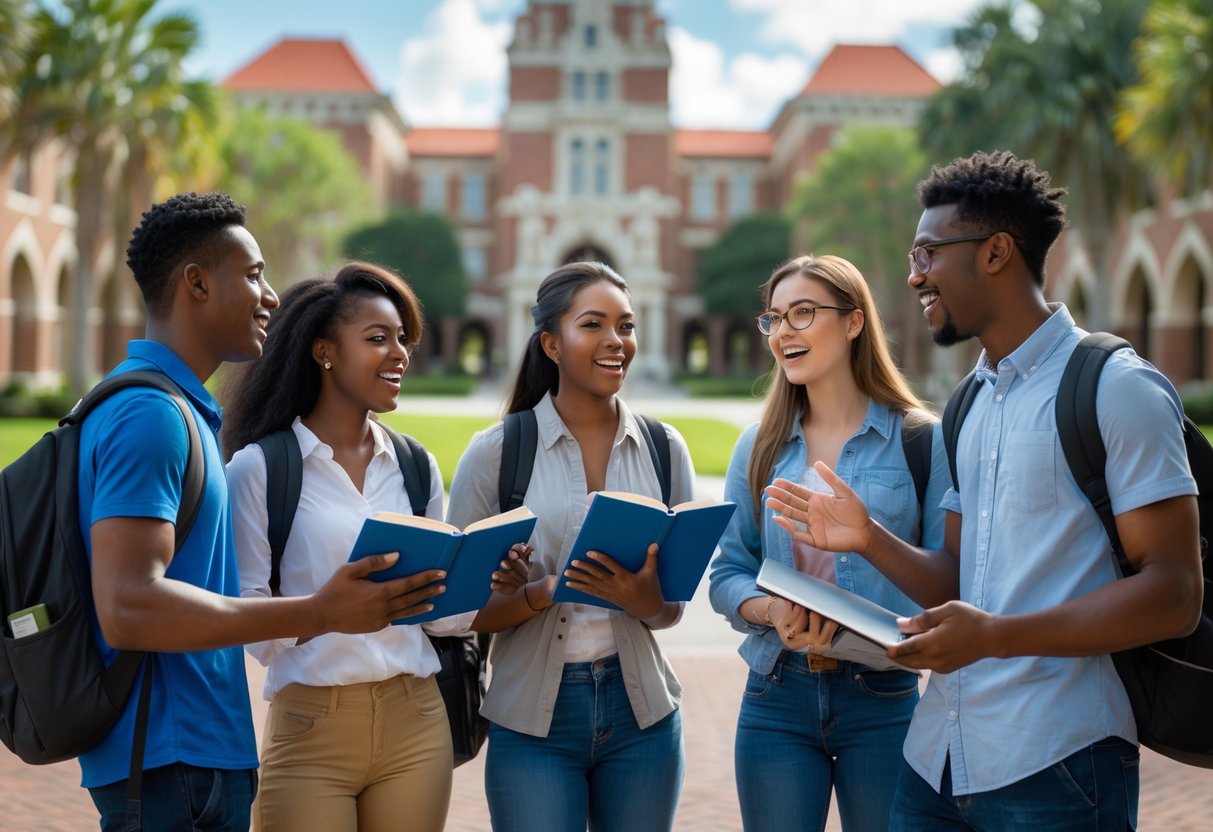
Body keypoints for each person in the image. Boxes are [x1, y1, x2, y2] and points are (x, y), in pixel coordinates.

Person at [764, 150, 1204, 831]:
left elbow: (1173, 594)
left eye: (927, 253)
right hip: (936, 756)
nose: (912, 275)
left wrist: (994, 637)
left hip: (1059, 761)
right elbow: (955, 581)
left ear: (995, 252)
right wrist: (867, 540)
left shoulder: (1116, 387)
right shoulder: (967, 403)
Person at [79, 193, 444, 832]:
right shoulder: (151, 417)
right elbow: (128, 605)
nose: (272, 296)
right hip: (166, 756)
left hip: (207, 753)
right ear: (196, 283)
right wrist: (322, 612)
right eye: (253, 275)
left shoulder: (187, 415)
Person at [221, 262, 528, 832]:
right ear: (323, 352)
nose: (399, 354)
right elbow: (245, 620)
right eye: (377, 338)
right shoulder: (260, 469)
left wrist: (488, 578)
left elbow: (445, 620)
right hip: (312, 724)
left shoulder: (415, 465)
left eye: (402, 340)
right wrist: (325, 611)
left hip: (416, 718)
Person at [446, 261, 693, 832]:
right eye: (594, 325)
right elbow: (459, 613)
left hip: (645, 718)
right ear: (552, 344)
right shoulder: (496, 453)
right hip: (534, 723)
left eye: (626, 326)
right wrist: (540, 592)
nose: (616, 342)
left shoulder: (663, 448)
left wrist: (640, 598)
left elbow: (669, 612)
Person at [708, 254, 950, 831]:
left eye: (803, 313)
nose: (784, 331)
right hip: (776, 694)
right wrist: (769, 610)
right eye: (774, 319)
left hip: (884, 699)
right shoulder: (759, 446)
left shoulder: (920, 440)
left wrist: (871, 544)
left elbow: (950, 578)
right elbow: (728, 572)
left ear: (853, 322)